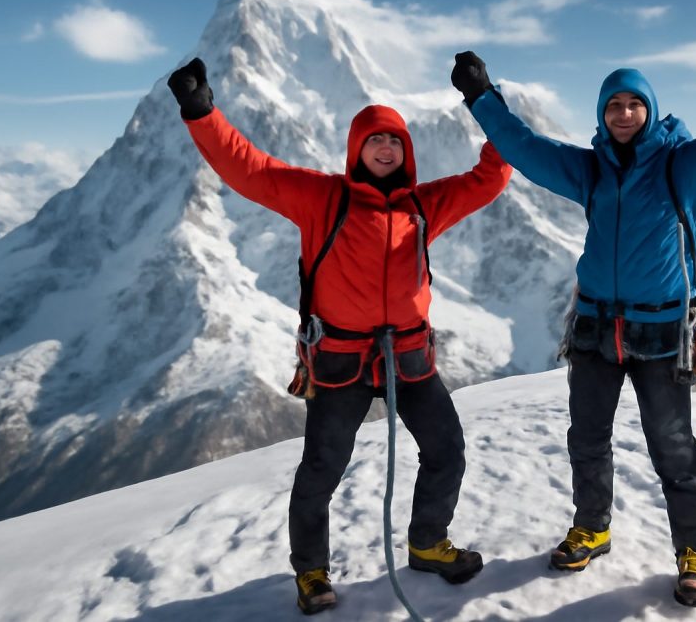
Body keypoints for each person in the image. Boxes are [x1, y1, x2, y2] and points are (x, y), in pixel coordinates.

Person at [450, 10, 696, 607]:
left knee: (674, 448)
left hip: (661, 330)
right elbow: (525, 149)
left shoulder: (683, 167)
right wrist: (483, 98)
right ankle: (593, 527)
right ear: (603, 115)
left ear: (651, 109)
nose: (624, 113)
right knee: (587, 438)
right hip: (593, 329)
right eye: (614, 106)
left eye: (634, 104)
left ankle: (694, 556)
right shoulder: (591, 170)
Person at [167, 58, 512, 615]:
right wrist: (200, 111)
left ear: (406, 151)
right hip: (342, 360)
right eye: (373, 141)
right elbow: (249, 169)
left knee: (446, 448)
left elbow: (491, 176)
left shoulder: (423, 205)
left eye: (394, 141)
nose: (384, 150)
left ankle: (427, 543)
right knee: (322, 468)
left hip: (408, 358)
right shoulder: (322, 198)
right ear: (356, 149)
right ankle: (312, 571)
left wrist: (484, 99)